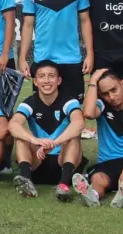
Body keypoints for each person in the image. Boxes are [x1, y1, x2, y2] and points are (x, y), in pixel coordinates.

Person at [19, 0, 92, 101]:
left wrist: (90, 54)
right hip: (43, 61)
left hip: (71, 60)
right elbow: (27, 25)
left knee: (74, 111)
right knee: (43, 112)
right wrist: (23, 58)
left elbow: (85, 22)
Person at [6, 60, 85, 200]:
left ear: (59, 80)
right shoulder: (29, 102)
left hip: (64, 162)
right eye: (42, 76)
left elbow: (79, 123)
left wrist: (55, 143)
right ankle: (26, 180)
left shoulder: (69, 101)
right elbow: (13, 125)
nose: (46, 80)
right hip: (38, 160)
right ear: (35, 82)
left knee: (74, 136)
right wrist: (35, 140)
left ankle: (63, 185)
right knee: (21, 136)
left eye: (51, 76)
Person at [80, 68, 123, 208]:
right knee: (97, 179)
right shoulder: (102, 106)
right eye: (105, 94)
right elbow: (88, 113)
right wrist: (93, 81)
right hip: (107, 162)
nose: (111, 97)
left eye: (114, 90)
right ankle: (92, 195)